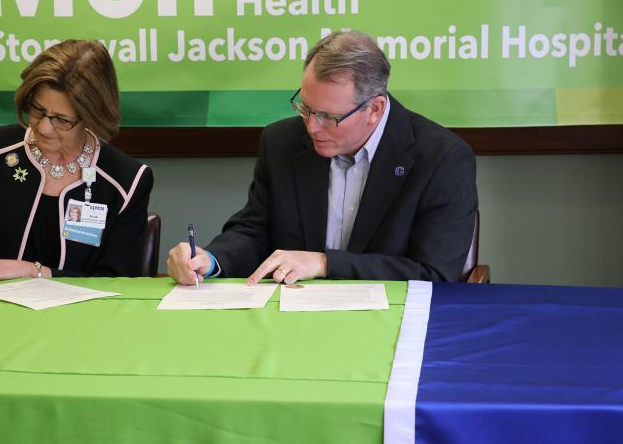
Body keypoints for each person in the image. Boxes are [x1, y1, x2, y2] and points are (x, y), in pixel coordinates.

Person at [167, 31, 477, 285]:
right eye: (305, 108)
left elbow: (433, 274)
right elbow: (253, 231)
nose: (312, 127)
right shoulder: (282, 143)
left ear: (375, 109)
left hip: (391, 325)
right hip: (291, 321)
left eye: (329, 116)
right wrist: (210, 259)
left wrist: (325, 263)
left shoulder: (441, 159)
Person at [0, 40, 153, 287]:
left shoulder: (126, 181)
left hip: (78, 321)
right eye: (38, 109)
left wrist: (32, 271)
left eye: (62, 120)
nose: (44, 127)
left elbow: (118, 282)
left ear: (92, 116)